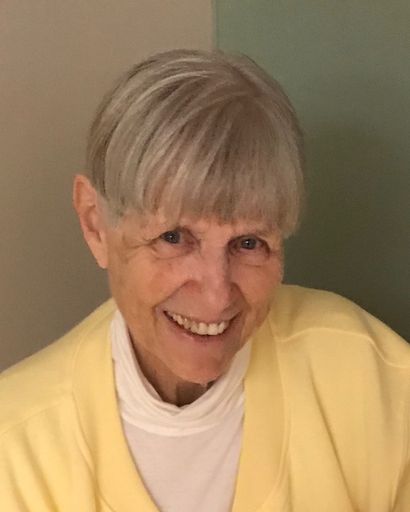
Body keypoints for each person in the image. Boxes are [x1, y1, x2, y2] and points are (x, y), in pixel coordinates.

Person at [0, 49, 409, 512]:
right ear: (96, 225)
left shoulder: (373, 380)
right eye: (174, 238)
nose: (216, 296)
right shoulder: (14, 450)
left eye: (249, 243)